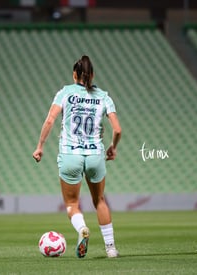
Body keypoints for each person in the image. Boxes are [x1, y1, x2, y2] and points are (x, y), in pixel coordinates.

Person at [32, 55, 122, 258]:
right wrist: (112, 148)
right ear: (93, 75)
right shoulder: (104, 96)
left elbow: (49, 121)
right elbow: (117, 129)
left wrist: (40, 147)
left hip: (70, 154)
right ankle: (111, 248)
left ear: (74, 75)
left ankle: (82, 228)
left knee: (72, 204)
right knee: (99, 200)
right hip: (94, 154)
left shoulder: (65, 93)